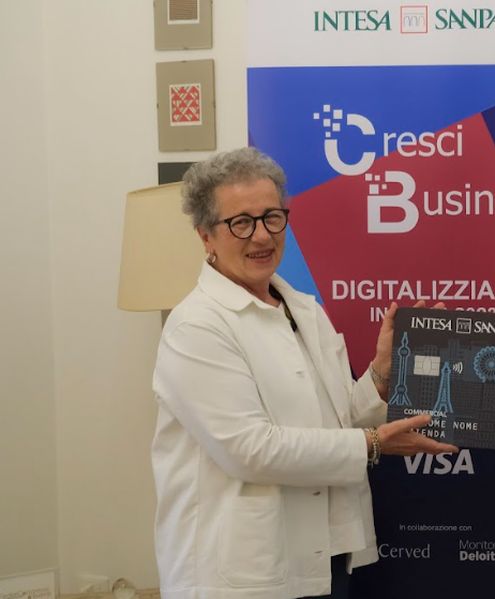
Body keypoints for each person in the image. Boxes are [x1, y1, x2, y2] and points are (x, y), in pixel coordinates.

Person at [151, 147, 457, 599]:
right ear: (206, 236)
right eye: (241, 222)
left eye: (272, 217)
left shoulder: (303, 310)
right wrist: (373, 444)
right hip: (241, 571)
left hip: (325, 555)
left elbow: (337, 421)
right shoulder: (196, 325)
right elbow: (250, 450)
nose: (261, 235)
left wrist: (380, 375)